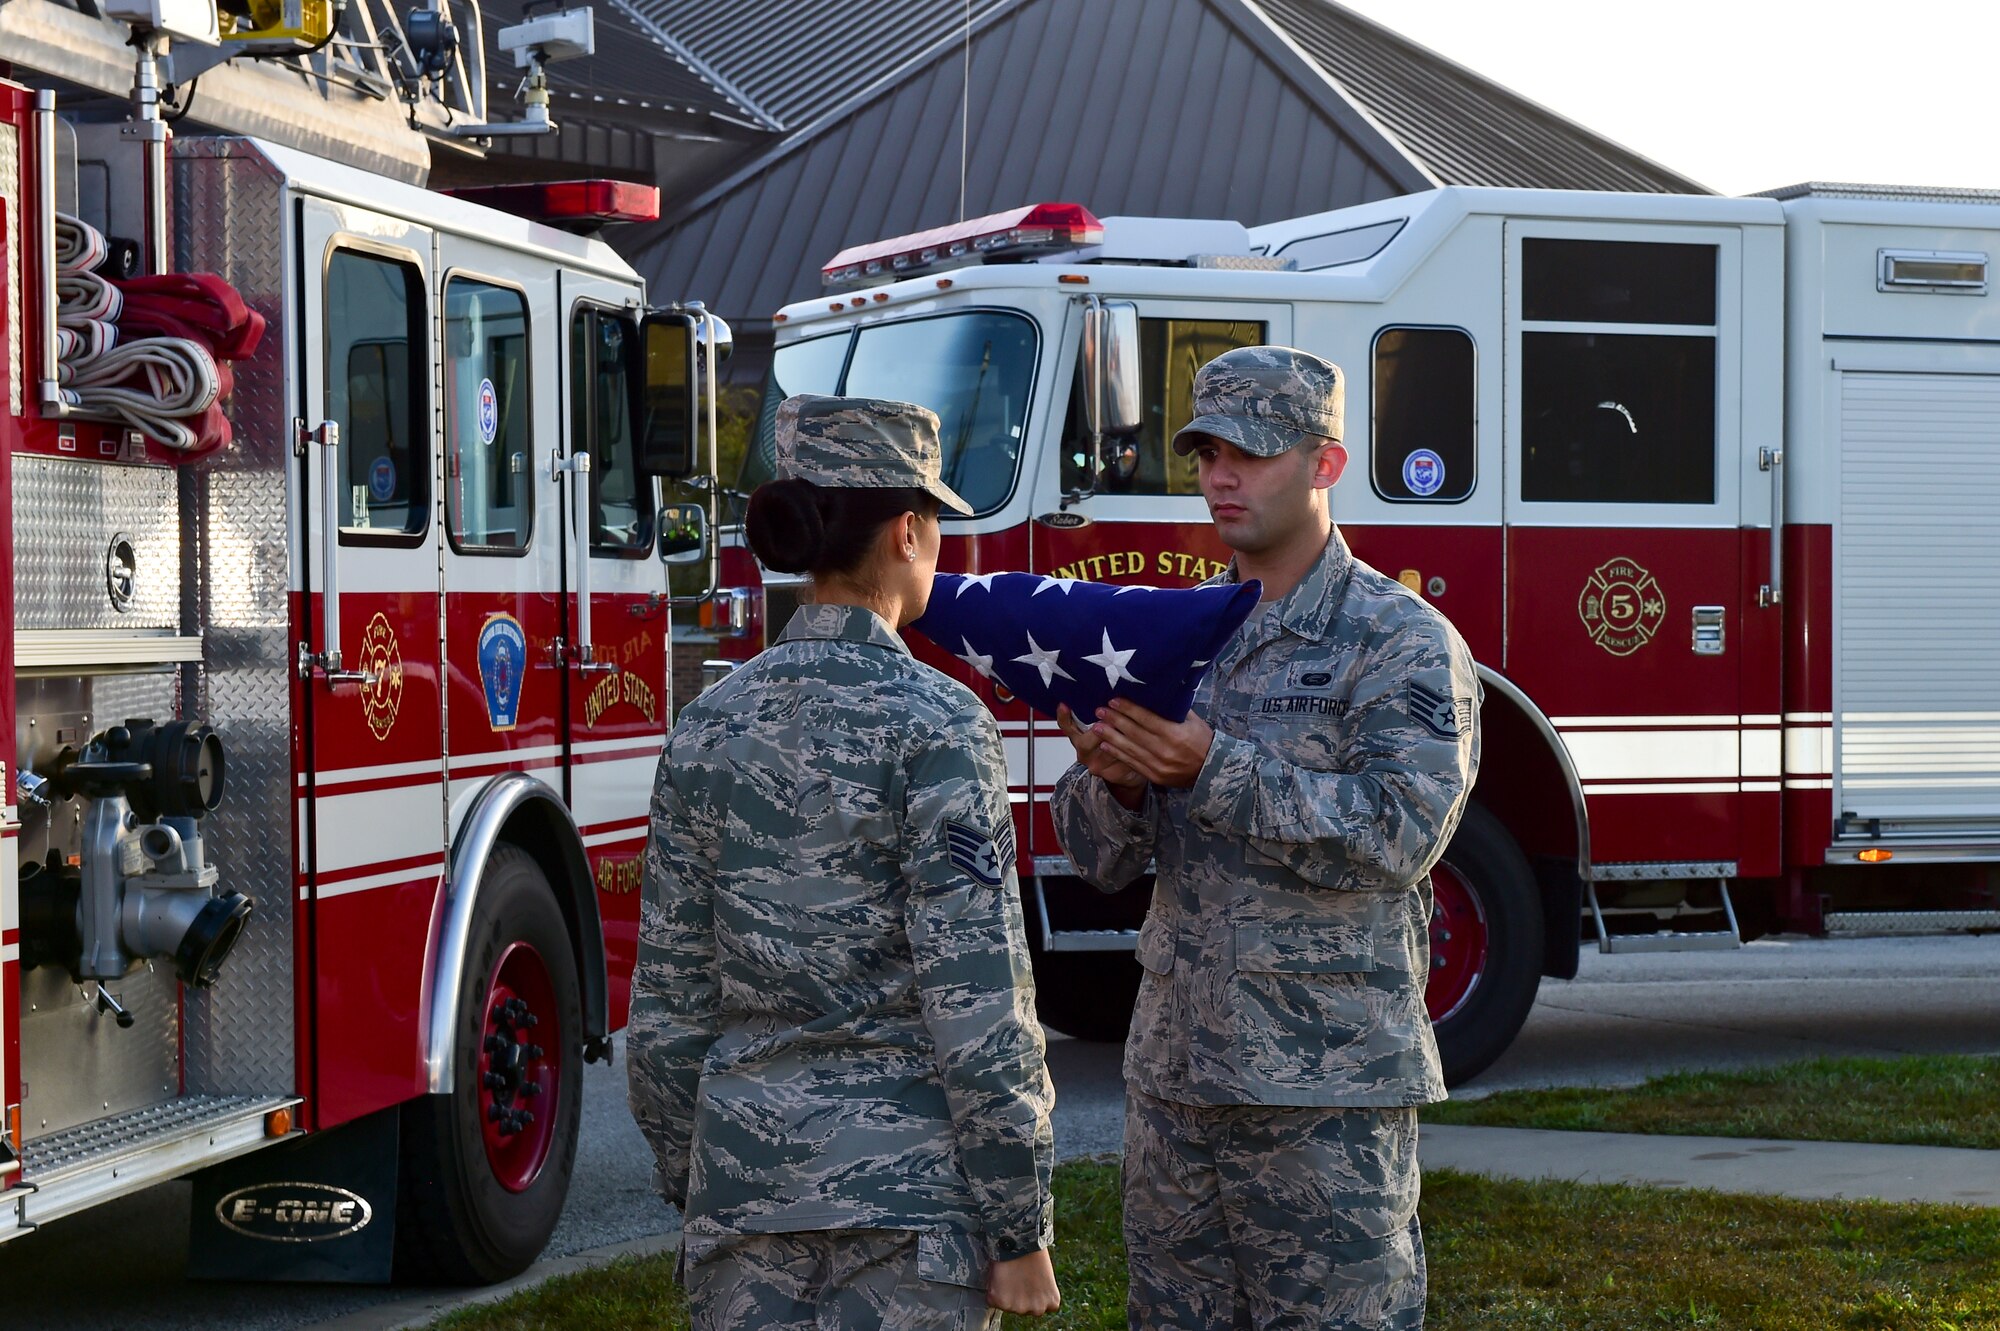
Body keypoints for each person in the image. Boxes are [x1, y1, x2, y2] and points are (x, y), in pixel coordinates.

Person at [1050, 346, 1479, 1330]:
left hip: (1323, 1095)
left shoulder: (1397, 638)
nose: (1219, 475)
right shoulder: (1173, 633)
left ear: (1324, 464)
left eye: (1250, 450)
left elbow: (1400, 831)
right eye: (1204, 451)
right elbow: (1099, 859)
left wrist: (1212, 767)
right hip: (1174, 1087)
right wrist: (1112, 787)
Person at [628, 393, 1060, 1330]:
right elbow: (978, 1003)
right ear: (908, 530)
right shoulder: (941, 725)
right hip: (910, 1222)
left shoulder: (706, 728)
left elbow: (665, 1009)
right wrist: (1020, 1226)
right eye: (937, 524)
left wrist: (701, 1174)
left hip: (744, 1204)